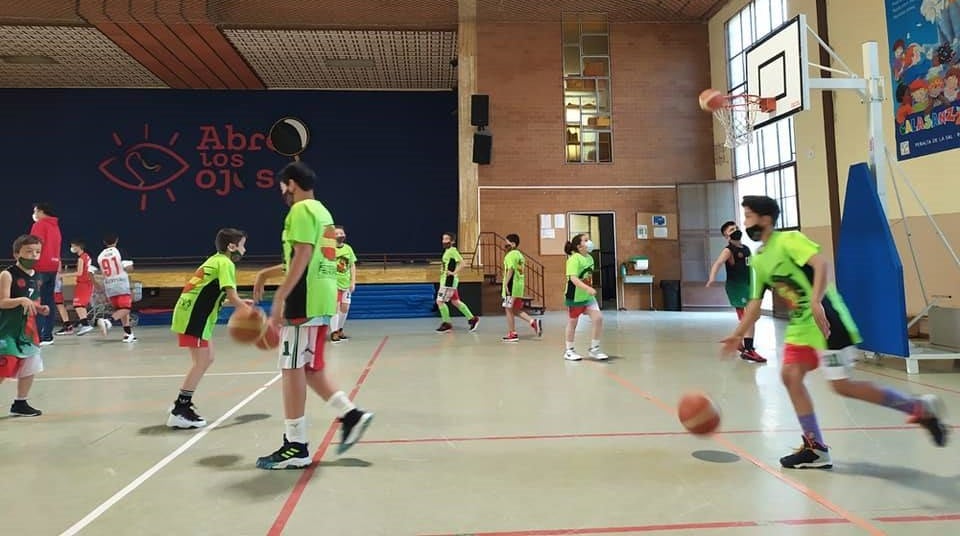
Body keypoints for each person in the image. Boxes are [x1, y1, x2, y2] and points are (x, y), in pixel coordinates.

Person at [721, 195, 948, 469]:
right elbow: (755, 304)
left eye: (747, 216)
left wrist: (816, 300)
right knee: (790, 376)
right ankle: (815, 448)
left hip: (826, 318)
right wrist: (737, 335)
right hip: (801, 326)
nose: (744, 223)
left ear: (765, 219)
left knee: (842, 386)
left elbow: (820, 264)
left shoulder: (789, 240)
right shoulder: (759, 260)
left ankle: (918, 408)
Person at [253, 161, 374, 470]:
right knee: (309, 368)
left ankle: (296, 446)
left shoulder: (299, 211)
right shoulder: (323, 213)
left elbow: (303, 254)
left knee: (291, 368)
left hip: (301, 301)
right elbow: (299, 257)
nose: (282, 193)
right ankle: (351, 414)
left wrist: (279, 298)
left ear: (291, 184)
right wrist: (265, 276)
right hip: (320, 297)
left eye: (282, 187)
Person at [168, 228, 254, 429]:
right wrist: (246, 310)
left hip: (191, 313)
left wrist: (240, 303)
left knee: (207, 358)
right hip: (193, 316)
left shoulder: (215, 260)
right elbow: (231, 296)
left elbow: (210, 293)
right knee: (202, 361)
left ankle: (182, 405)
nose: (244, 249)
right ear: (231, 246)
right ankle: (180, 409)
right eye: (242, 245)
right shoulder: (225, 263)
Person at [0, 235, 49, 417]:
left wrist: (40, 308)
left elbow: (32, 301)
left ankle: (20, 403)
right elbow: (2, 302)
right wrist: (20, 300)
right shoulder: (7, 274)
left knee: (30, 365)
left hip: (28, 330)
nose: (34, 255)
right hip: (8, 329)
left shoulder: (37, 276)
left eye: (37, 252)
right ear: (16, 254)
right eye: (28, 251)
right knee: (4, 368)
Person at [707, 221, 765, 363]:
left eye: (736, 228)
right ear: (727, 236)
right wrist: (712, 277)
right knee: (748, 317)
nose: (736, 230)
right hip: (736, 287)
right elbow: (718, 263)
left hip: (748, 285)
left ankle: (739, 340)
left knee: (754, 315)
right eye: (732, 230)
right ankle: (749, 349)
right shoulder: (729, 250)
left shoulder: (746, 249)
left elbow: (752, 266)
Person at [563, 233, 607, 361]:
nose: (589, 242)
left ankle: (594, 349)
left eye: (589, 239)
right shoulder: (573, 259)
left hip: (587, 297)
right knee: (573, 323)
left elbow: (588, 277)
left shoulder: (590, 258)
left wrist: (589, 288)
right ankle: (569, 350)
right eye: (586, 240)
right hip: (574, 296)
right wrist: (588, 288)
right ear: (579, 246)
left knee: (598, 318)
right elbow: (573, 279)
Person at [30, 203, 62, 346]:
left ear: (41, 211)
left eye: (35, 211)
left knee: (37, 301)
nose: (34, 214)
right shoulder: (55, 226)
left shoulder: (40, 225)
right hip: (53, 266)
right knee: (49, 301)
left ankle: (37, 336)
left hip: (40, 267)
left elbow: (33, 245)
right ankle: (47, 335)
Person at [500, 233, 542, 342]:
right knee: (515, 309)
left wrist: (505, 284)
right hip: (518, 286)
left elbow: (511, 269)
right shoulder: (519, 255)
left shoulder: (510, 255)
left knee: (508, 309)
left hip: (511, 285)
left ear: (513, 244)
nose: (505, 245)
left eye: (507, 243)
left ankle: (512, 333)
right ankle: (533, 322)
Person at [435, 232, 479, 333]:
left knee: (440, 301)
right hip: (446, 280)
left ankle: (447, 324)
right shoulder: (447, 251)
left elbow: (463, 263)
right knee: (455, 301)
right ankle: (472, 319)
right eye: (443, 239)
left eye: (446, 239)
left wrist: (453, 273)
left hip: (448, 281)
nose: (444, 241)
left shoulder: (452, 251)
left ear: (452, 241)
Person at [96, 233, 136, 342]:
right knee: (126, 308)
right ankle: (108, 321)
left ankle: (128, 333)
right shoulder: (120, 252)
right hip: (121, 283)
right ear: (116, 240)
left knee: (121, 309)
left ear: (104, 243)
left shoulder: (100, 256)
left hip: (109, 285)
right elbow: (129, 268)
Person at [56, 239, 95, 336]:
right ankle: (84, 323)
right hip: (85, 283)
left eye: (73, 246)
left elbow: (79, 273)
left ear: (78, 247)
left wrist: (64, 275)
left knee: (78, 305)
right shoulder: (86, 256)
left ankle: (85, 324)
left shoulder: (81, 258)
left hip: (84, 283)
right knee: (80, 305)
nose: (72, 248)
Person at [330, 225, 356, 343]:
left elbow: (352, 265)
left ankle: (340, 330)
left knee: (344, 308)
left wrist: (353, 281)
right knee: (334, 308)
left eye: (341, 233)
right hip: (333, 283)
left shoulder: (348, 249)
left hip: (346, 283)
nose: (340, 235)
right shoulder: (330, 249)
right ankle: (333, 332)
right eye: (337, 234)